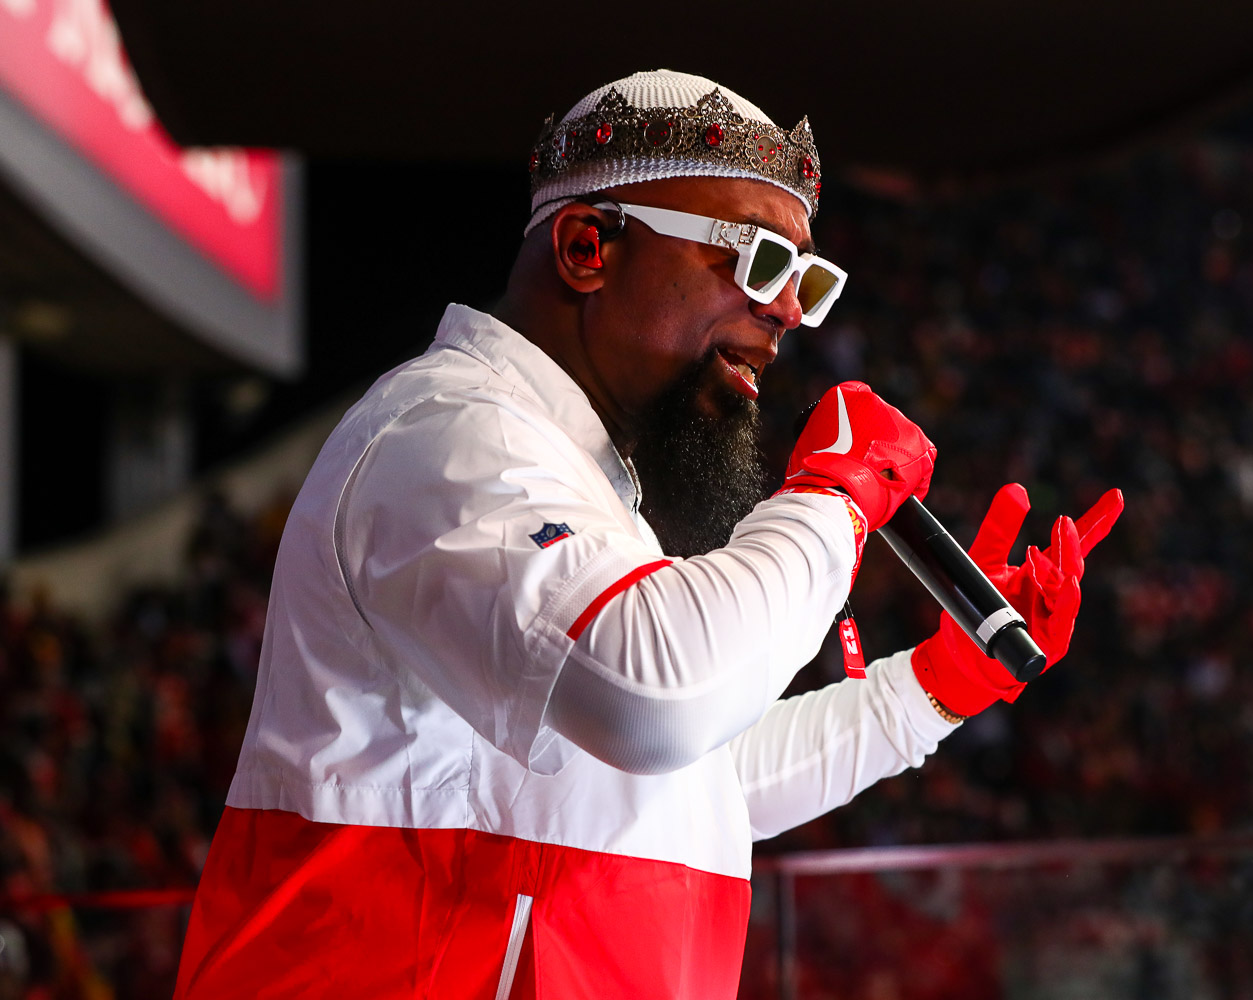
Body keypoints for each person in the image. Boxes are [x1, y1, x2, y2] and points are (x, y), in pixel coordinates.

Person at [172, 69, 1122, 999]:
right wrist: (837, 496)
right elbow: (654, 701)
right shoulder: (448, 436)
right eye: (757, 261)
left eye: (809, 281)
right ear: (589, 247)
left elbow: (687, 788)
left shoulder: (582, 478)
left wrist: (934, 687)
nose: (789, 311)